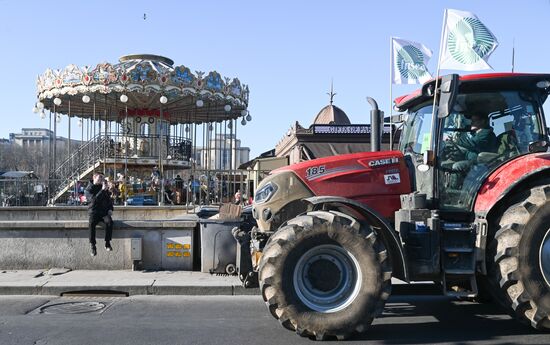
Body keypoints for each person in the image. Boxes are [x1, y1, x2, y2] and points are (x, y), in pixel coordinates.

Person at [85, 172, 114, 256]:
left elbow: (109, 201)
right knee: (91, 223)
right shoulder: (88, 189)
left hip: (103, 212)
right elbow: (93, 201)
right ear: (94, 178)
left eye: (102, 178)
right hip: (94, 212)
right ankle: (93, 246)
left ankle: (107, 243)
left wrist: (110, 209)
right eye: (99, 178)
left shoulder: (103, 188)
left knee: (109, 222)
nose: (101, 180)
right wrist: (102, 190)